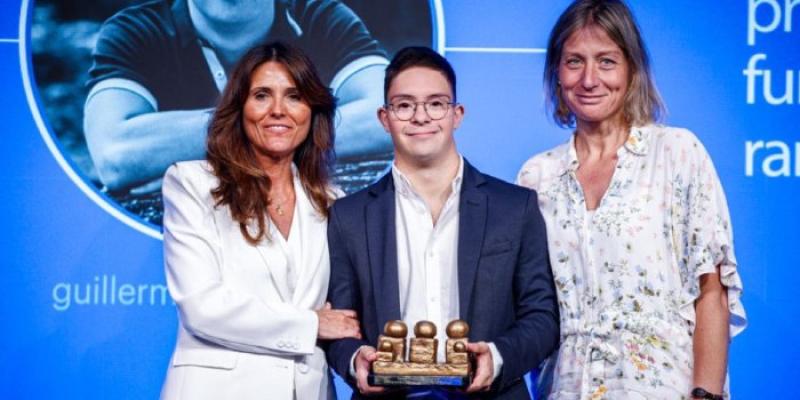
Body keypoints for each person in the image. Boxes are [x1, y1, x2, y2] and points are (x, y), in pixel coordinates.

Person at [516, 1, 747, 398]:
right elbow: (522, 305)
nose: (590, 79)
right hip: (567, 389)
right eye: (574, 62)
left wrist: (705, 395)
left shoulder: (677, 154)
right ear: (556, 73)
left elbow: (712, 291)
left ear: (632, 71)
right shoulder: (536, 177)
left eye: (606, 61)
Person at [326, 46, 560, 399]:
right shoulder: (348, 216)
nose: (421, 117)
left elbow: (542, 317)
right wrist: (355, 357)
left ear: (457, 114)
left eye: (436, 103)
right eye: (404, 105)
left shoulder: (514, 206)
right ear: (384, 118)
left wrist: (496, 358)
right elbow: (340, 322)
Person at [159, 42, 361, 400]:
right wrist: (312, 324)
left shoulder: (333, 202)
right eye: (262, 96)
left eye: (295, 96)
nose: (279, 111)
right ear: (240, 108)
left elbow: (344, 312)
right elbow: (202, 307)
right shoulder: (192, 184)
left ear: (312, 110)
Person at [84, 0, 391, 195]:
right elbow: (114, 153)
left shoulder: (320, 17)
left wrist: (222, 153)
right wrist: (281, 137)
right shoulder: (136, 31)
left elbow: (390, 115)